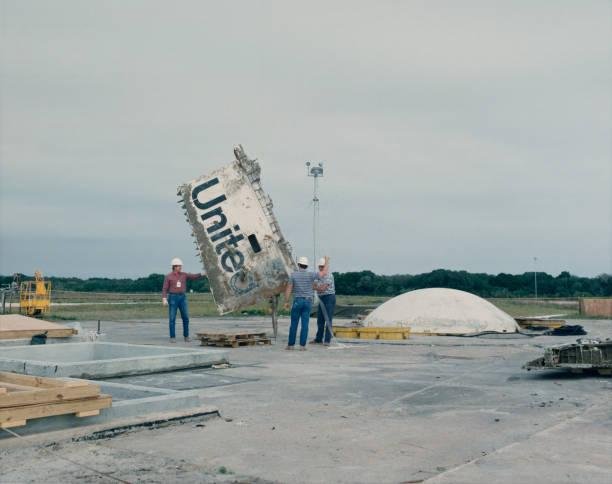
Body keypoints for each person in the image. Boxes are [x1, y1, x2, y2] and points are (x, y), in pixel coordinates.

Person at [283, 255, 329, 350]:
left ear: (299, 264)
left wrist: (286, 301)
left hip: (297, 301)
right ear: (307, 266)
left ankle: (291, 345)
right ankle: (302, 346)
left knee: (294, 324)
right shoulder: (311, 275)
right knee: (305, 324)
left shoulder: (293, 275)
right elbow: (324, 273)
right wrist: (327, 261)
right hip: (308, 302)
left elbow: (288, 289)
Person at [162, 258, 205, 343]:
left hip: (182, 297)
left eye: (181, 266)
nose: (180, 267)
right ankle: (172, 337)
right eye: (179, 266)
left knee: (186, 318)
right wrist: (164, 298)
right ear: (174, 266)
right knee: (172, 318)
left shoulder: (184, 275)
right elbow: (164, 288)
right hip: (173, 298)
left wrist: (202, 274)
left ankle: (186, 336)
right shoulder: (168, 276)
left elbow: (193, 276)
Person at [313, 257, 336, 346]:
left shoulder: (329, 275)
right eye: (320, 266)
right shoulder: (318, 275)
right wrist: (318, 288)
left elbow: (323, 288)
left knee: (328, 319)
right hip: (321, 298)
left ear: (325, 267)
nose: (321, 268)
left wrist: (317, 288)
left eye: (322, 266)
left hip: (329, 298)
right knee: (320, 319)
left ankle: (327, 340)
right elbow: (314, 285)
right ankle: (318, 339)